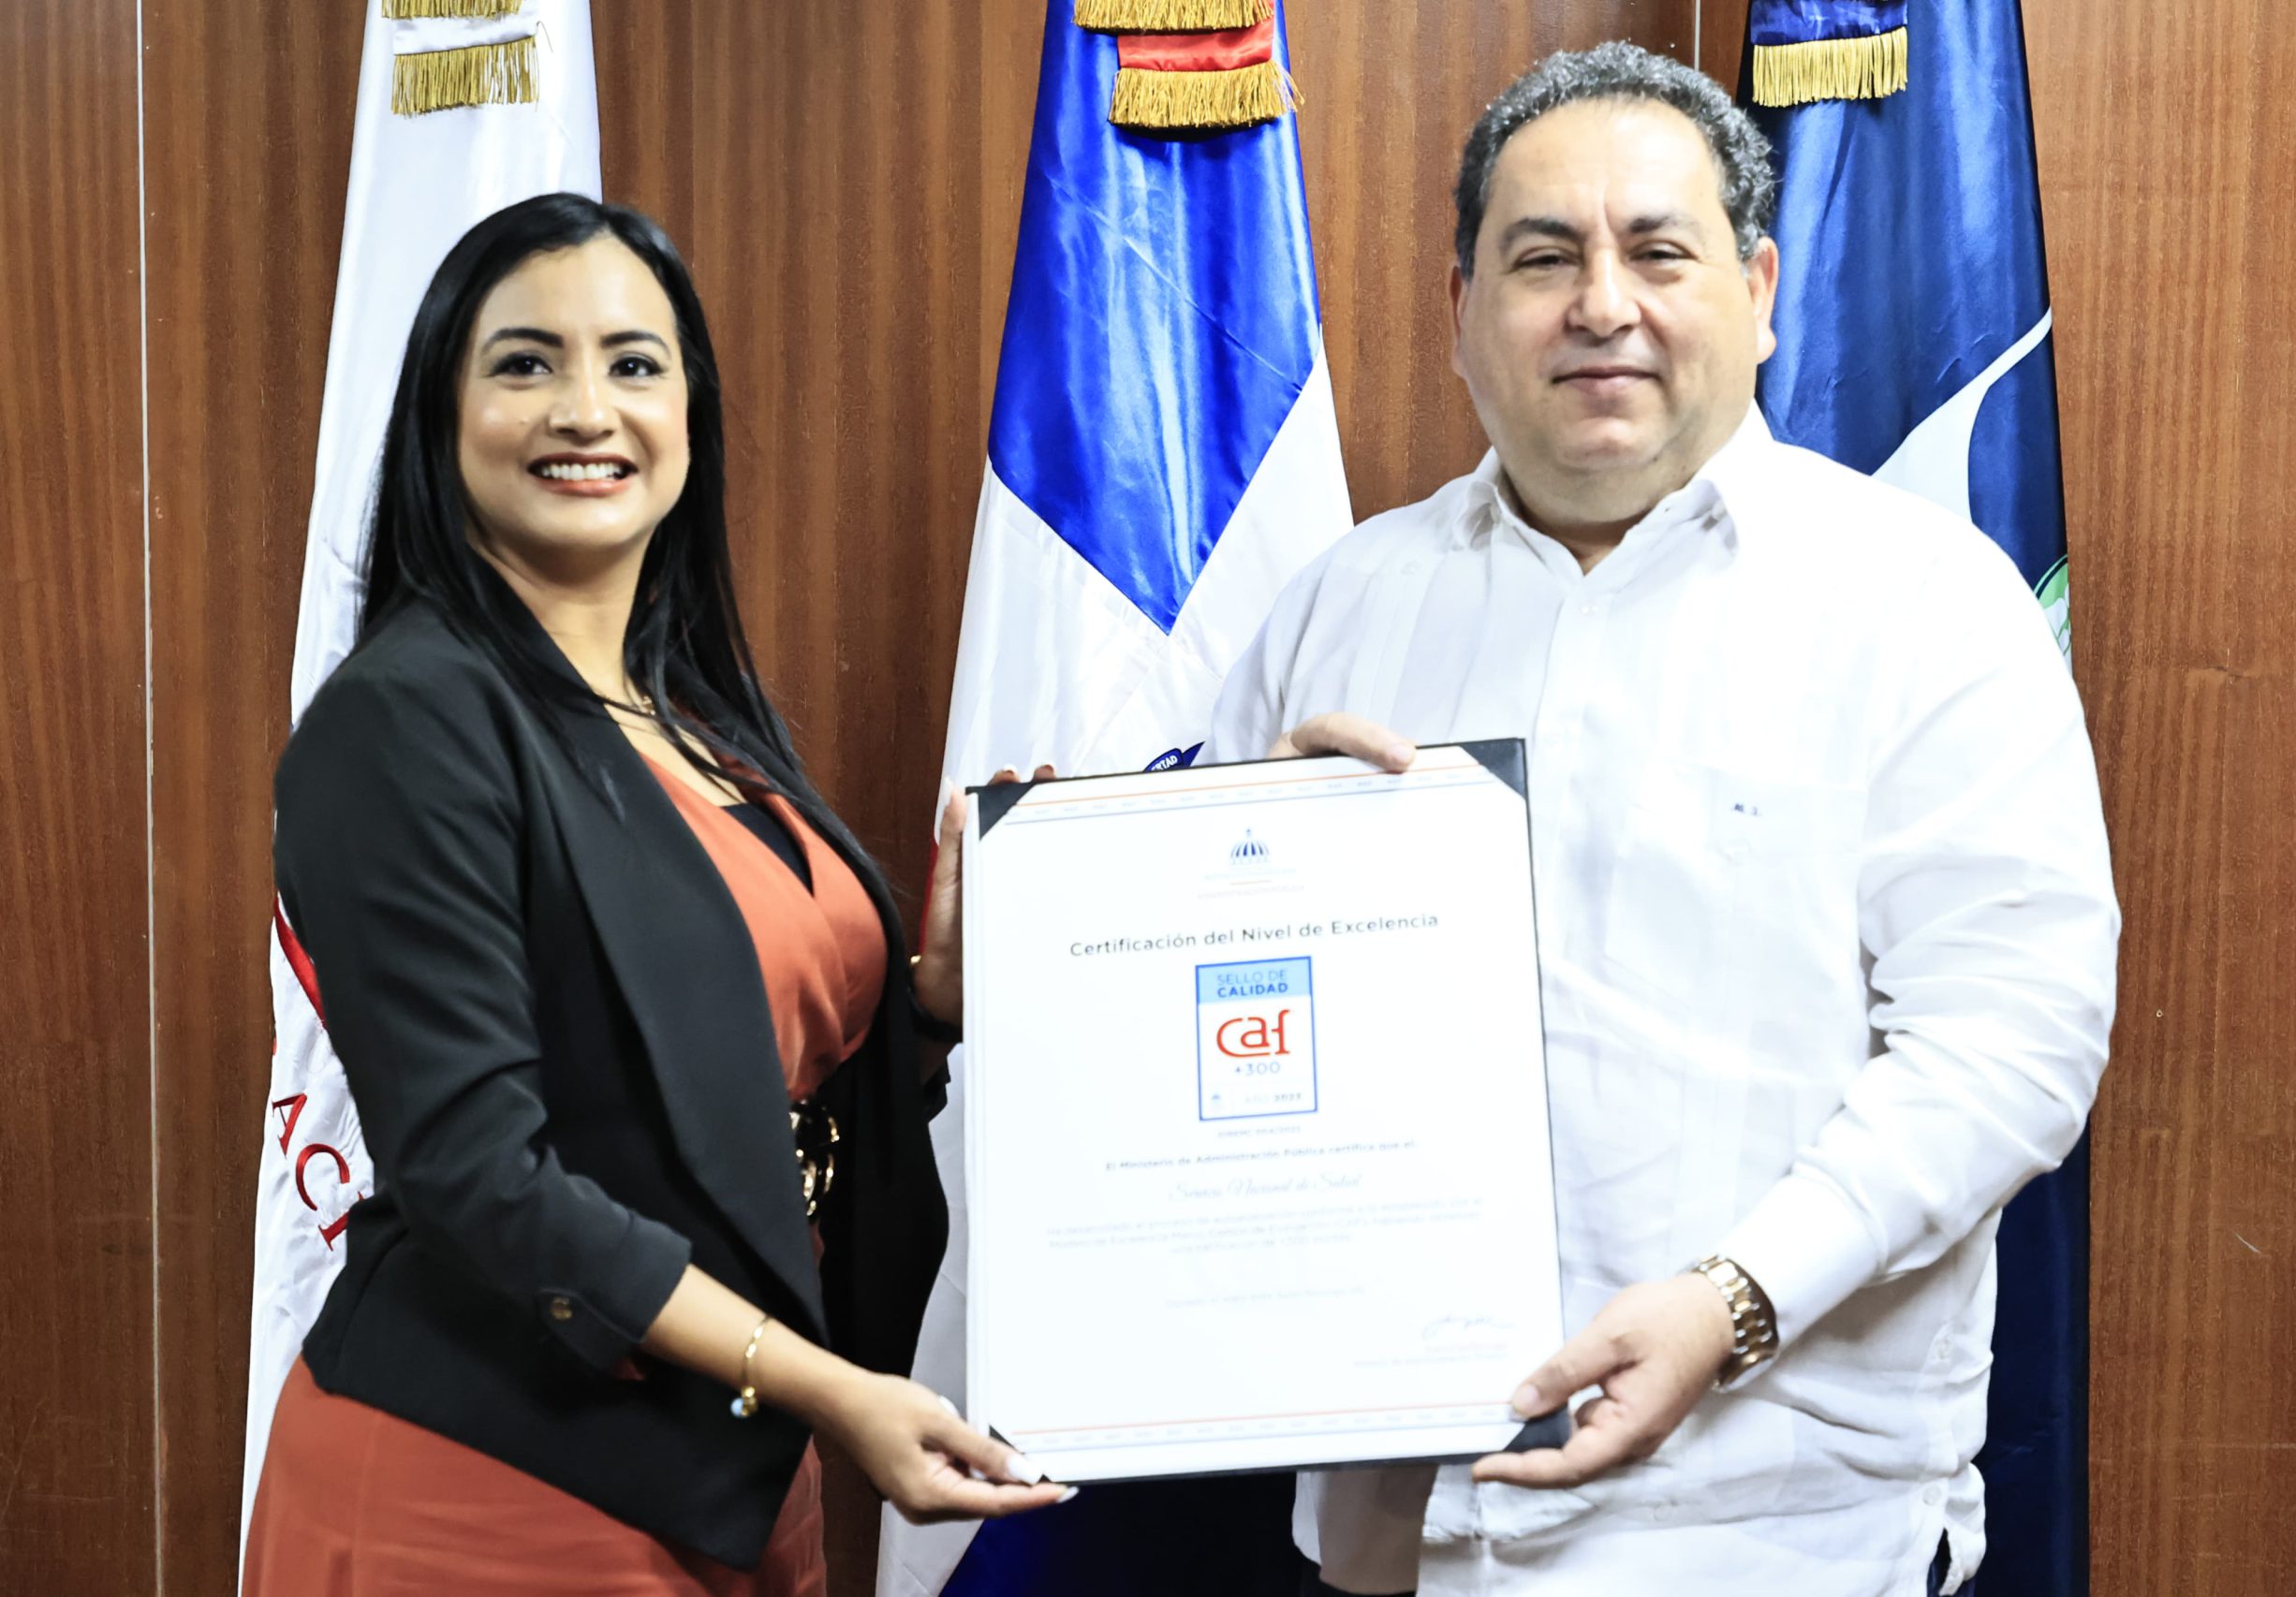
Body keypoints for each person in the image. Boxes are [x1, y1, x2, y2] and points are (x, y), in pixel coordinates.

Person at [1208, 44, 2118, 1597]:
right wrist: (1236, 865)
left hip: (1775, 1529)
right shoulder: (1339, 607)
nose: (1601, 304)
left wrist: (1728, 1300)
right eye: (1542, 258)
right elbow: (1210, 1028)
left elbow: (2011, 1041)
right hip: (1398, 1530)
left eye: (1658, 251)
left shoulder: (1922, 602)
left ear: (1759, 292)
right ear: (1461, 309)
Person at [243, 194, 1065, 1597]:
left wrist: (927, 1011)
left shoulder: (693, 717)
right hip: (489, 1491)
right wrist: (824, 1385)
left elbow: (733, 1082)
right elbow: (477, 1174)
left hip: (733, 1473)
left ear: (691, 414)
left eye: (634, 363)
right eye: (525, 363)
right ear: (441, 414)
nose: (587, 409)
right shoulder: (403, 719)